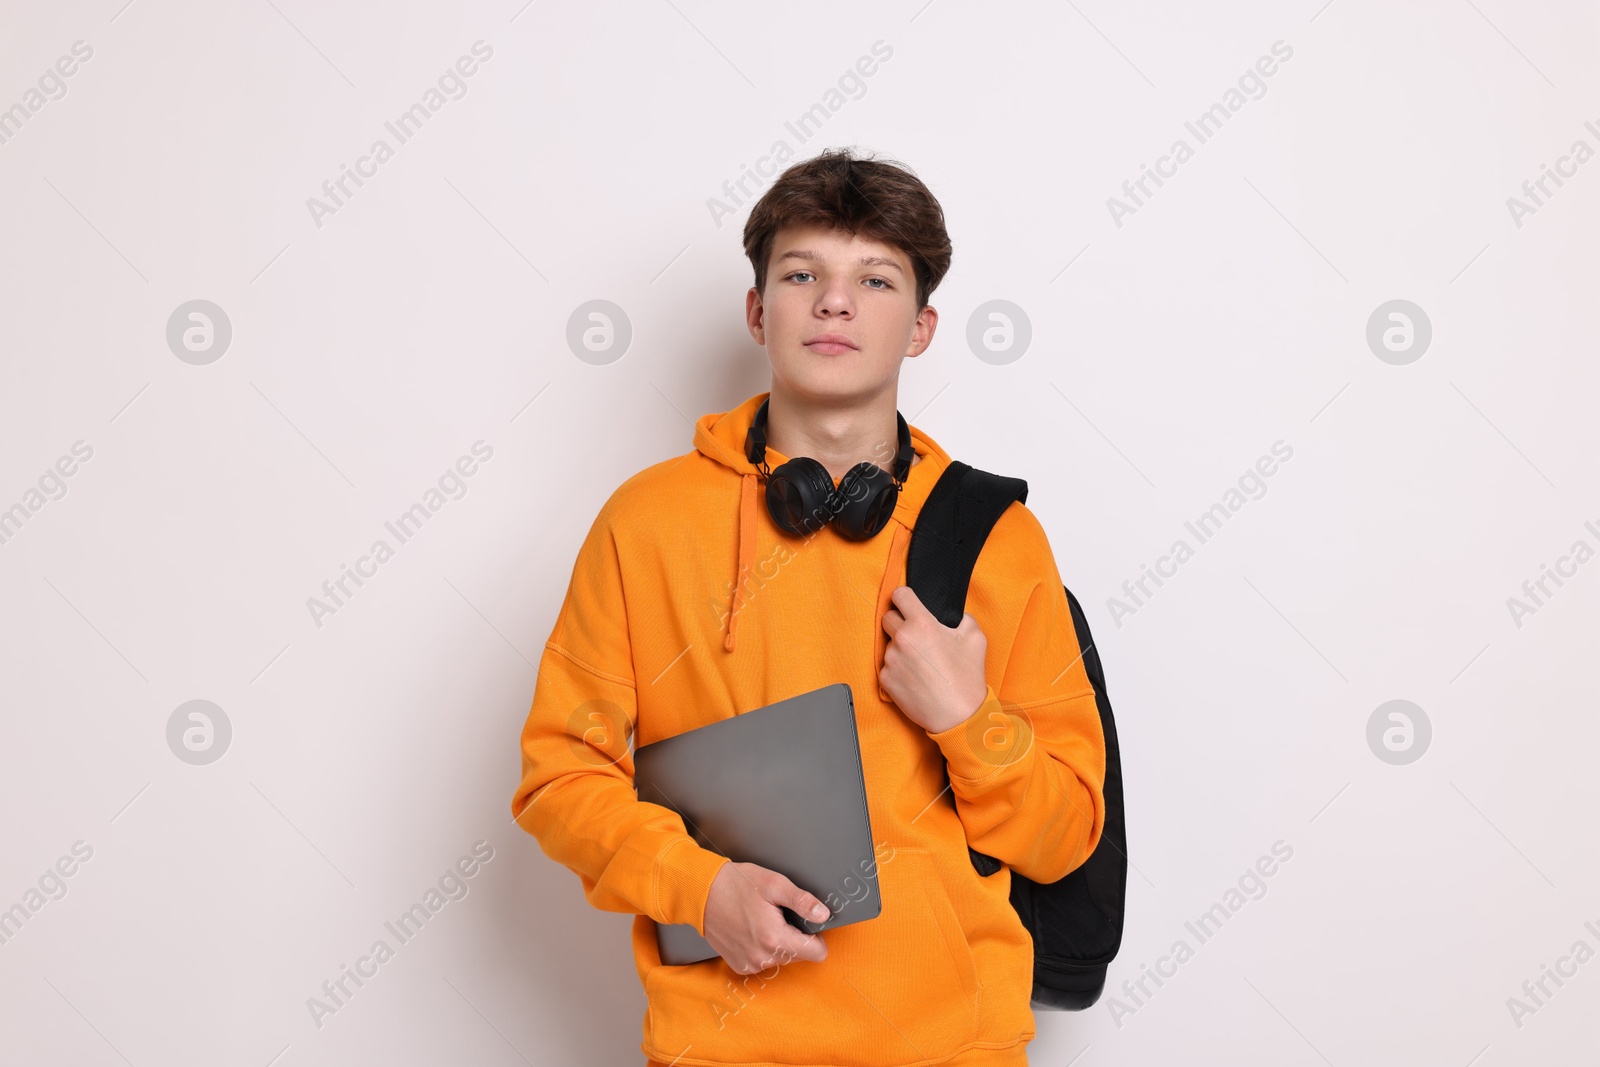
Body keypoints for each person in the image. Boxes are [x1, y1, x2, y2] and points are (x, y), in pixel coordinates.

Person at [511, 147, 1107, 1067]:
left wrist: (968, 718)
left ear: (921, 327)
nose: (836, 302)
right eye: (803, 274)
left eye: (875, 279)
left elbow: (1066, 835)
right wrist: (697, 885)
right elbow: (561, 775)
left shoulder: (996, 536)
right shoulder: (647, 522)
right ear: (758, 310)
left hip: (957, 1047)